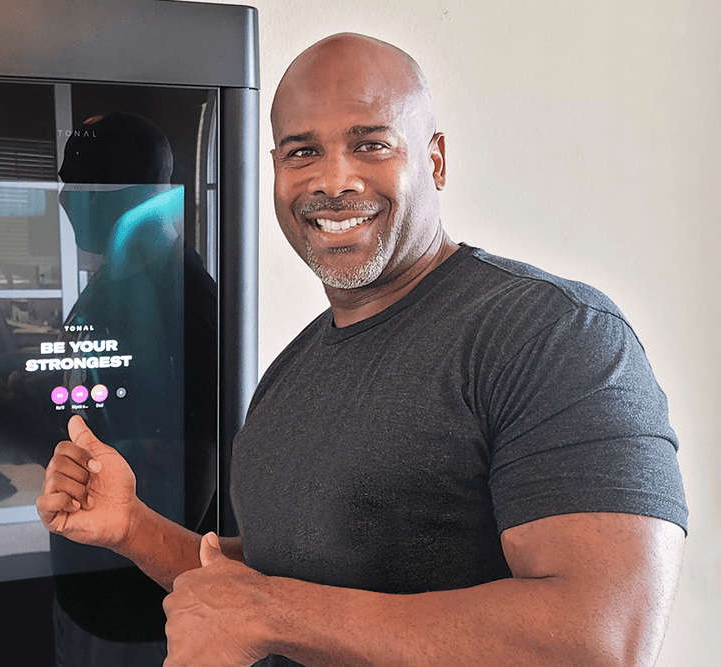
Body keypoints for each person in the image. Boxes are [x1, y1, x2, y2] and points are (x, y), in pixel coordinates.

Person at [37, 33, 687, 667]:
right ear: (276, 172)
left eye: (370, 143)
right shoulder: (293, 369)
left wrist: (269, 612)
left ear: (433, 159)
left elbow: (600, 636)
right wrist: (130, 524)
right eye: (302, 152)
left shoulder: (548, 332)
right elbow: (264, 582)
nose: (334, 180)